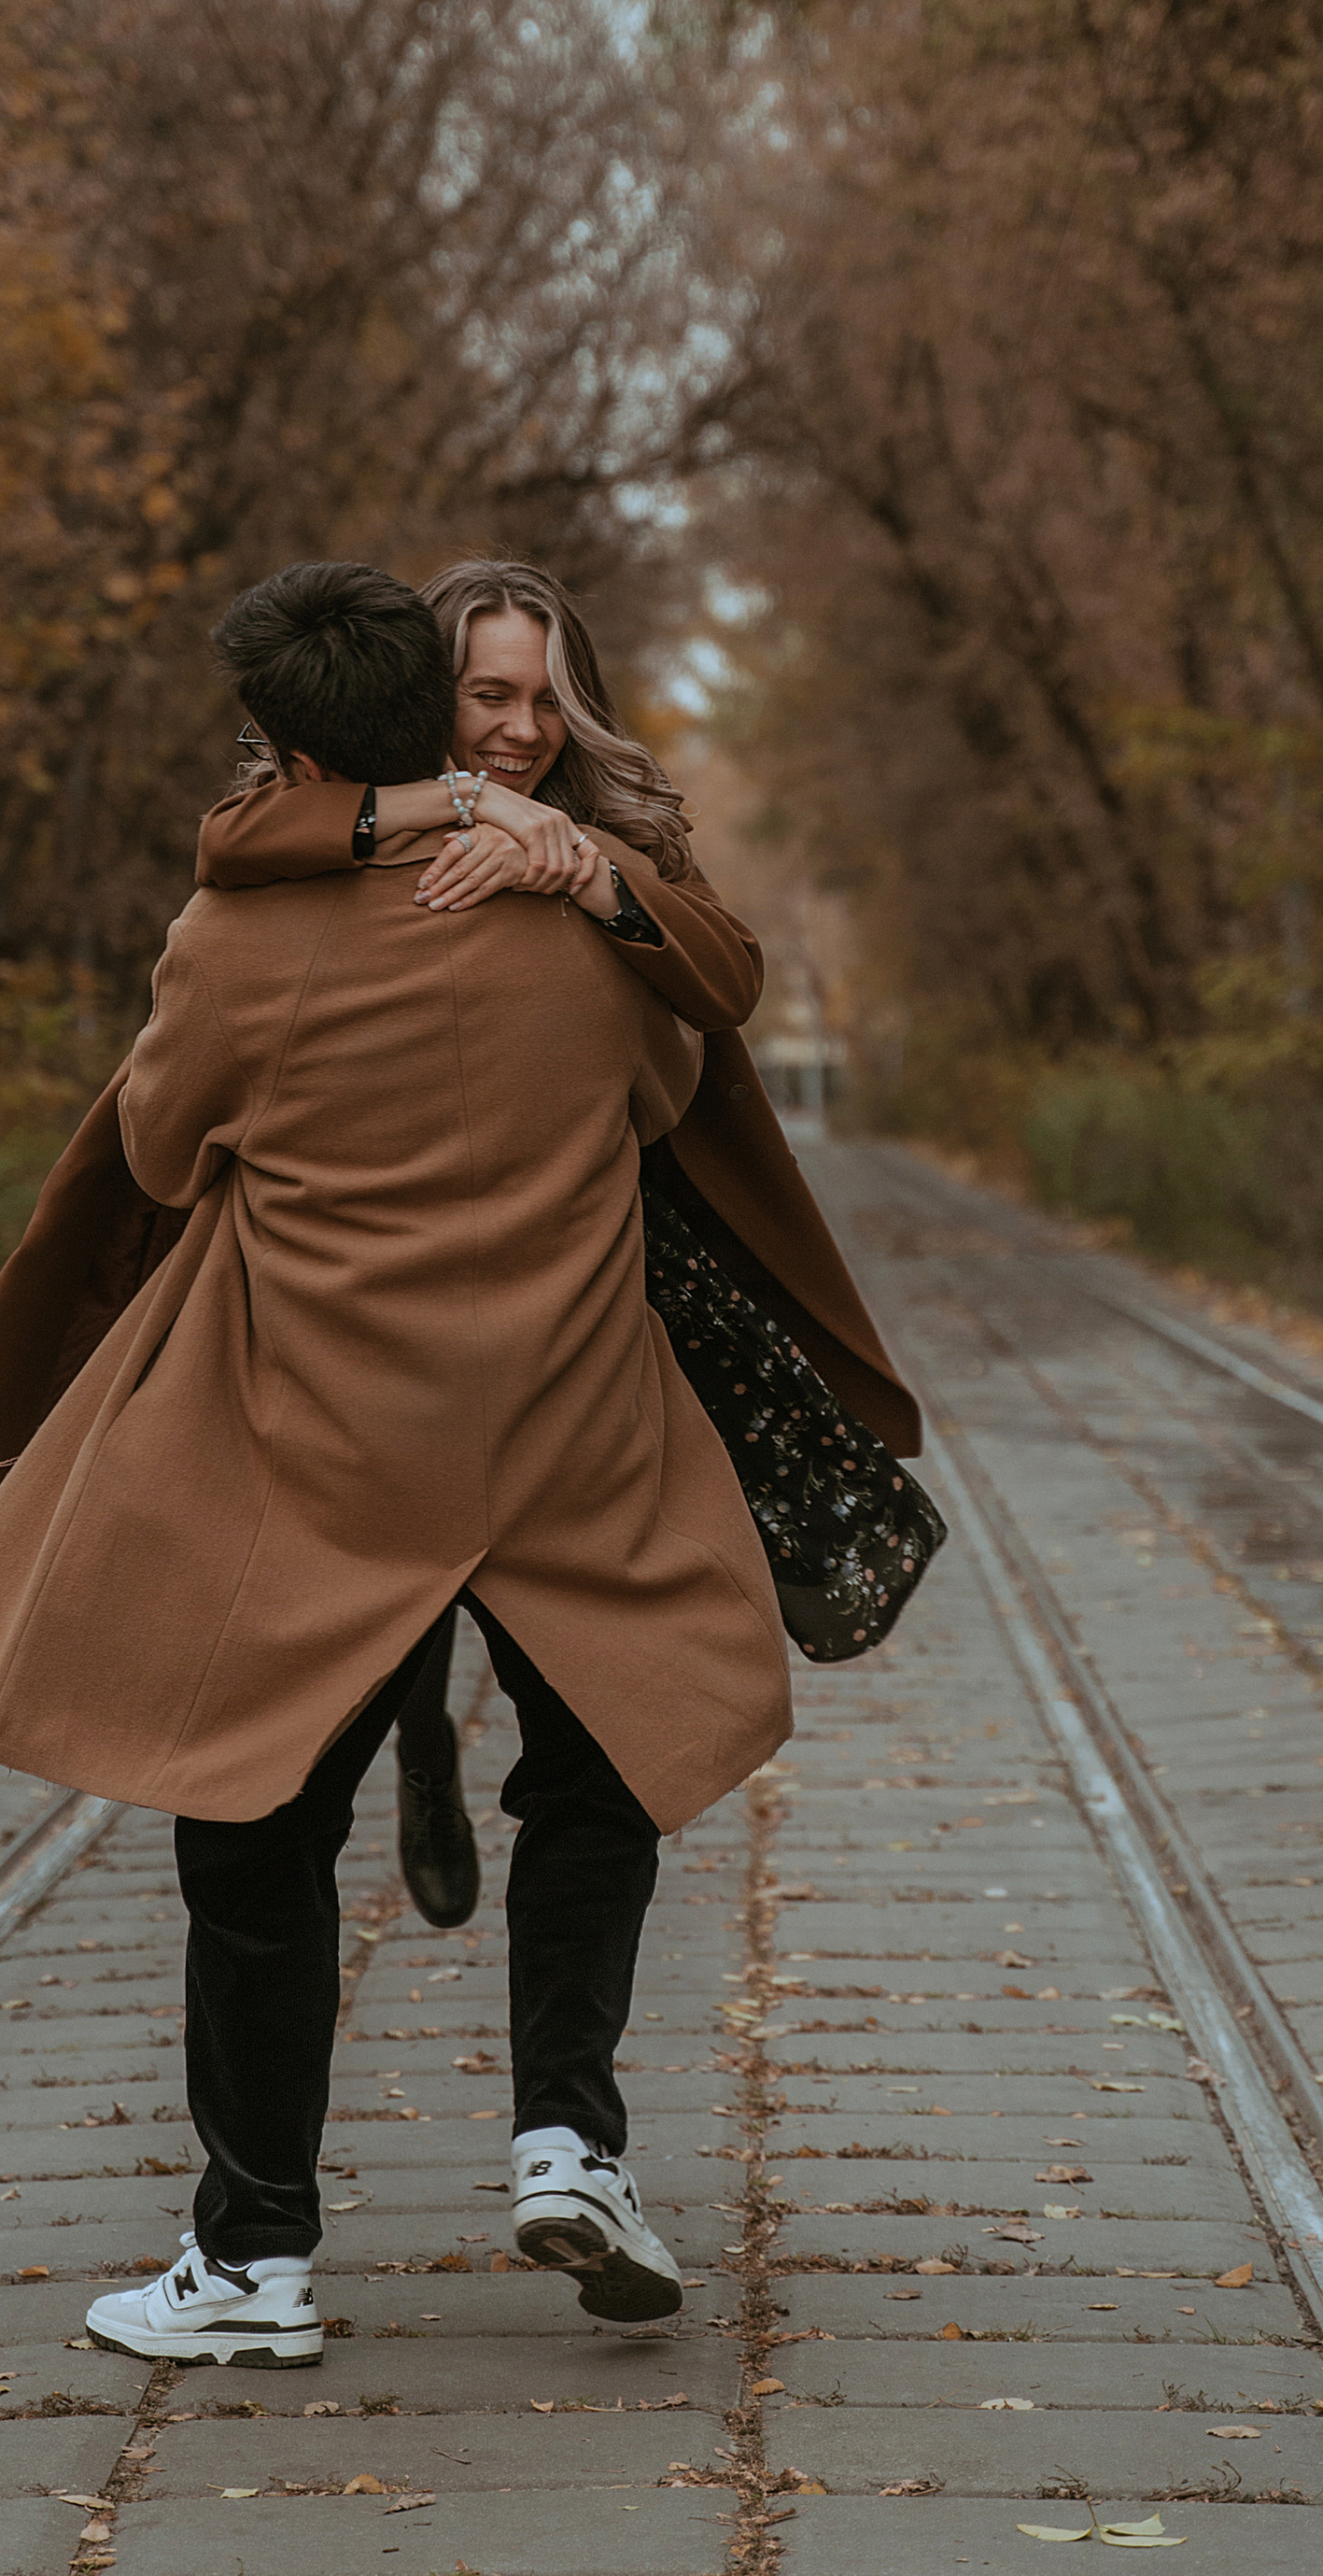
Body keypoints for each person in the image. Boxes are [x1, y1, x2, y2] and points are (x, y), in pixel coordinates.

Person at [0, 562, 793, 2371]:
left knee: (255, 1825)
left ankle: (254, 2251)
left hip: (318, 1453)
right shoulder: (593, 955)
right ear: (424, 719)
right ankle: (567, 2139)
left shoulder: (237, 936)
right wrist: (569, 883)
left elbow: (158, 1131)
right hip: (563, 1436)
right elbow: (671, 1094)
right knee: (594, 1776)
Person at [193, 556, 929, 1880]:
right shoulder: (339, 817)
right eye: (487, 695)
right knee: (385, 1568)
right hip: (377, 1290)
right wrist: (447, 804)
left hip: (591, 1255)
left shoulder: (604, 834)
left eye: (546, 698)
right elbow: (225, 843)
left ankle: (504, 1757)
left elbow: (728, 977)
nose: (521, 728)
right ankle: (421, 1738)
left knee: (585, 1594)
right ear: (429, 700)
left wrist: (580, 864)